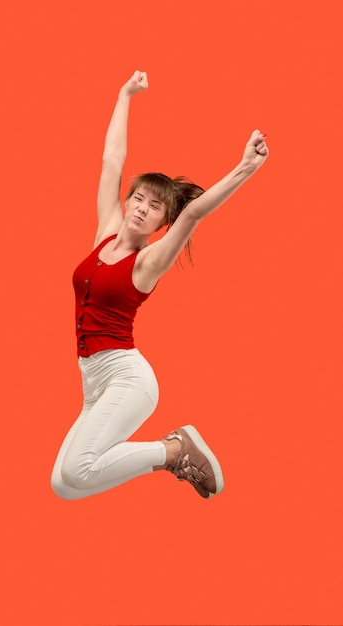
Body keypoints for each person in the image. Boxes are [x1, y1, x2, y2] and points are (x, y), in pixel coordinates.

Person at [51, 70, 269, 501]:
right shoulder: (106, 233)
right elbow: (112, 160)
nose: (140, 208)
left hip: (126, 377)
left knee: (78, 469)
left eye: (154, 207)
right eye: (138, 198)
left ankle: (175, 451)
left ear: (160, 222)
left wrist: (245, 168)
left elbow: (193, 215)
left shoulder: (148, 261)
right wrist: (124, 94)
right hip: (92, 380)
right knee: (65, 484)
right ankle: (170, 455)